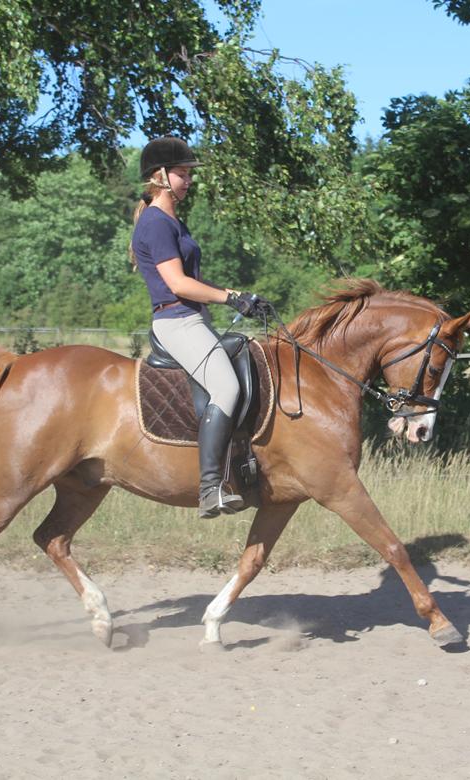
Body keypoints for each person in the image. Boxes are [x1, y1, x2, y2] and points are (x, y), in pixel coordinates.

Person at [130, 136, 270, 518]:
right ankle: (210, 487)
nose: (189, 180)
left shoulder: (172, 219)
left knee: (244, 351)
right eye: (182, 173)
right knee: (226, 386)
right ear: (159, 175)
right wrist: (231, 295)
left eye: (190, 173)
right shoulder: (157, 223)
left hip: (193, 319)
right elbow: (177, 284)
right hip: (176, 320)